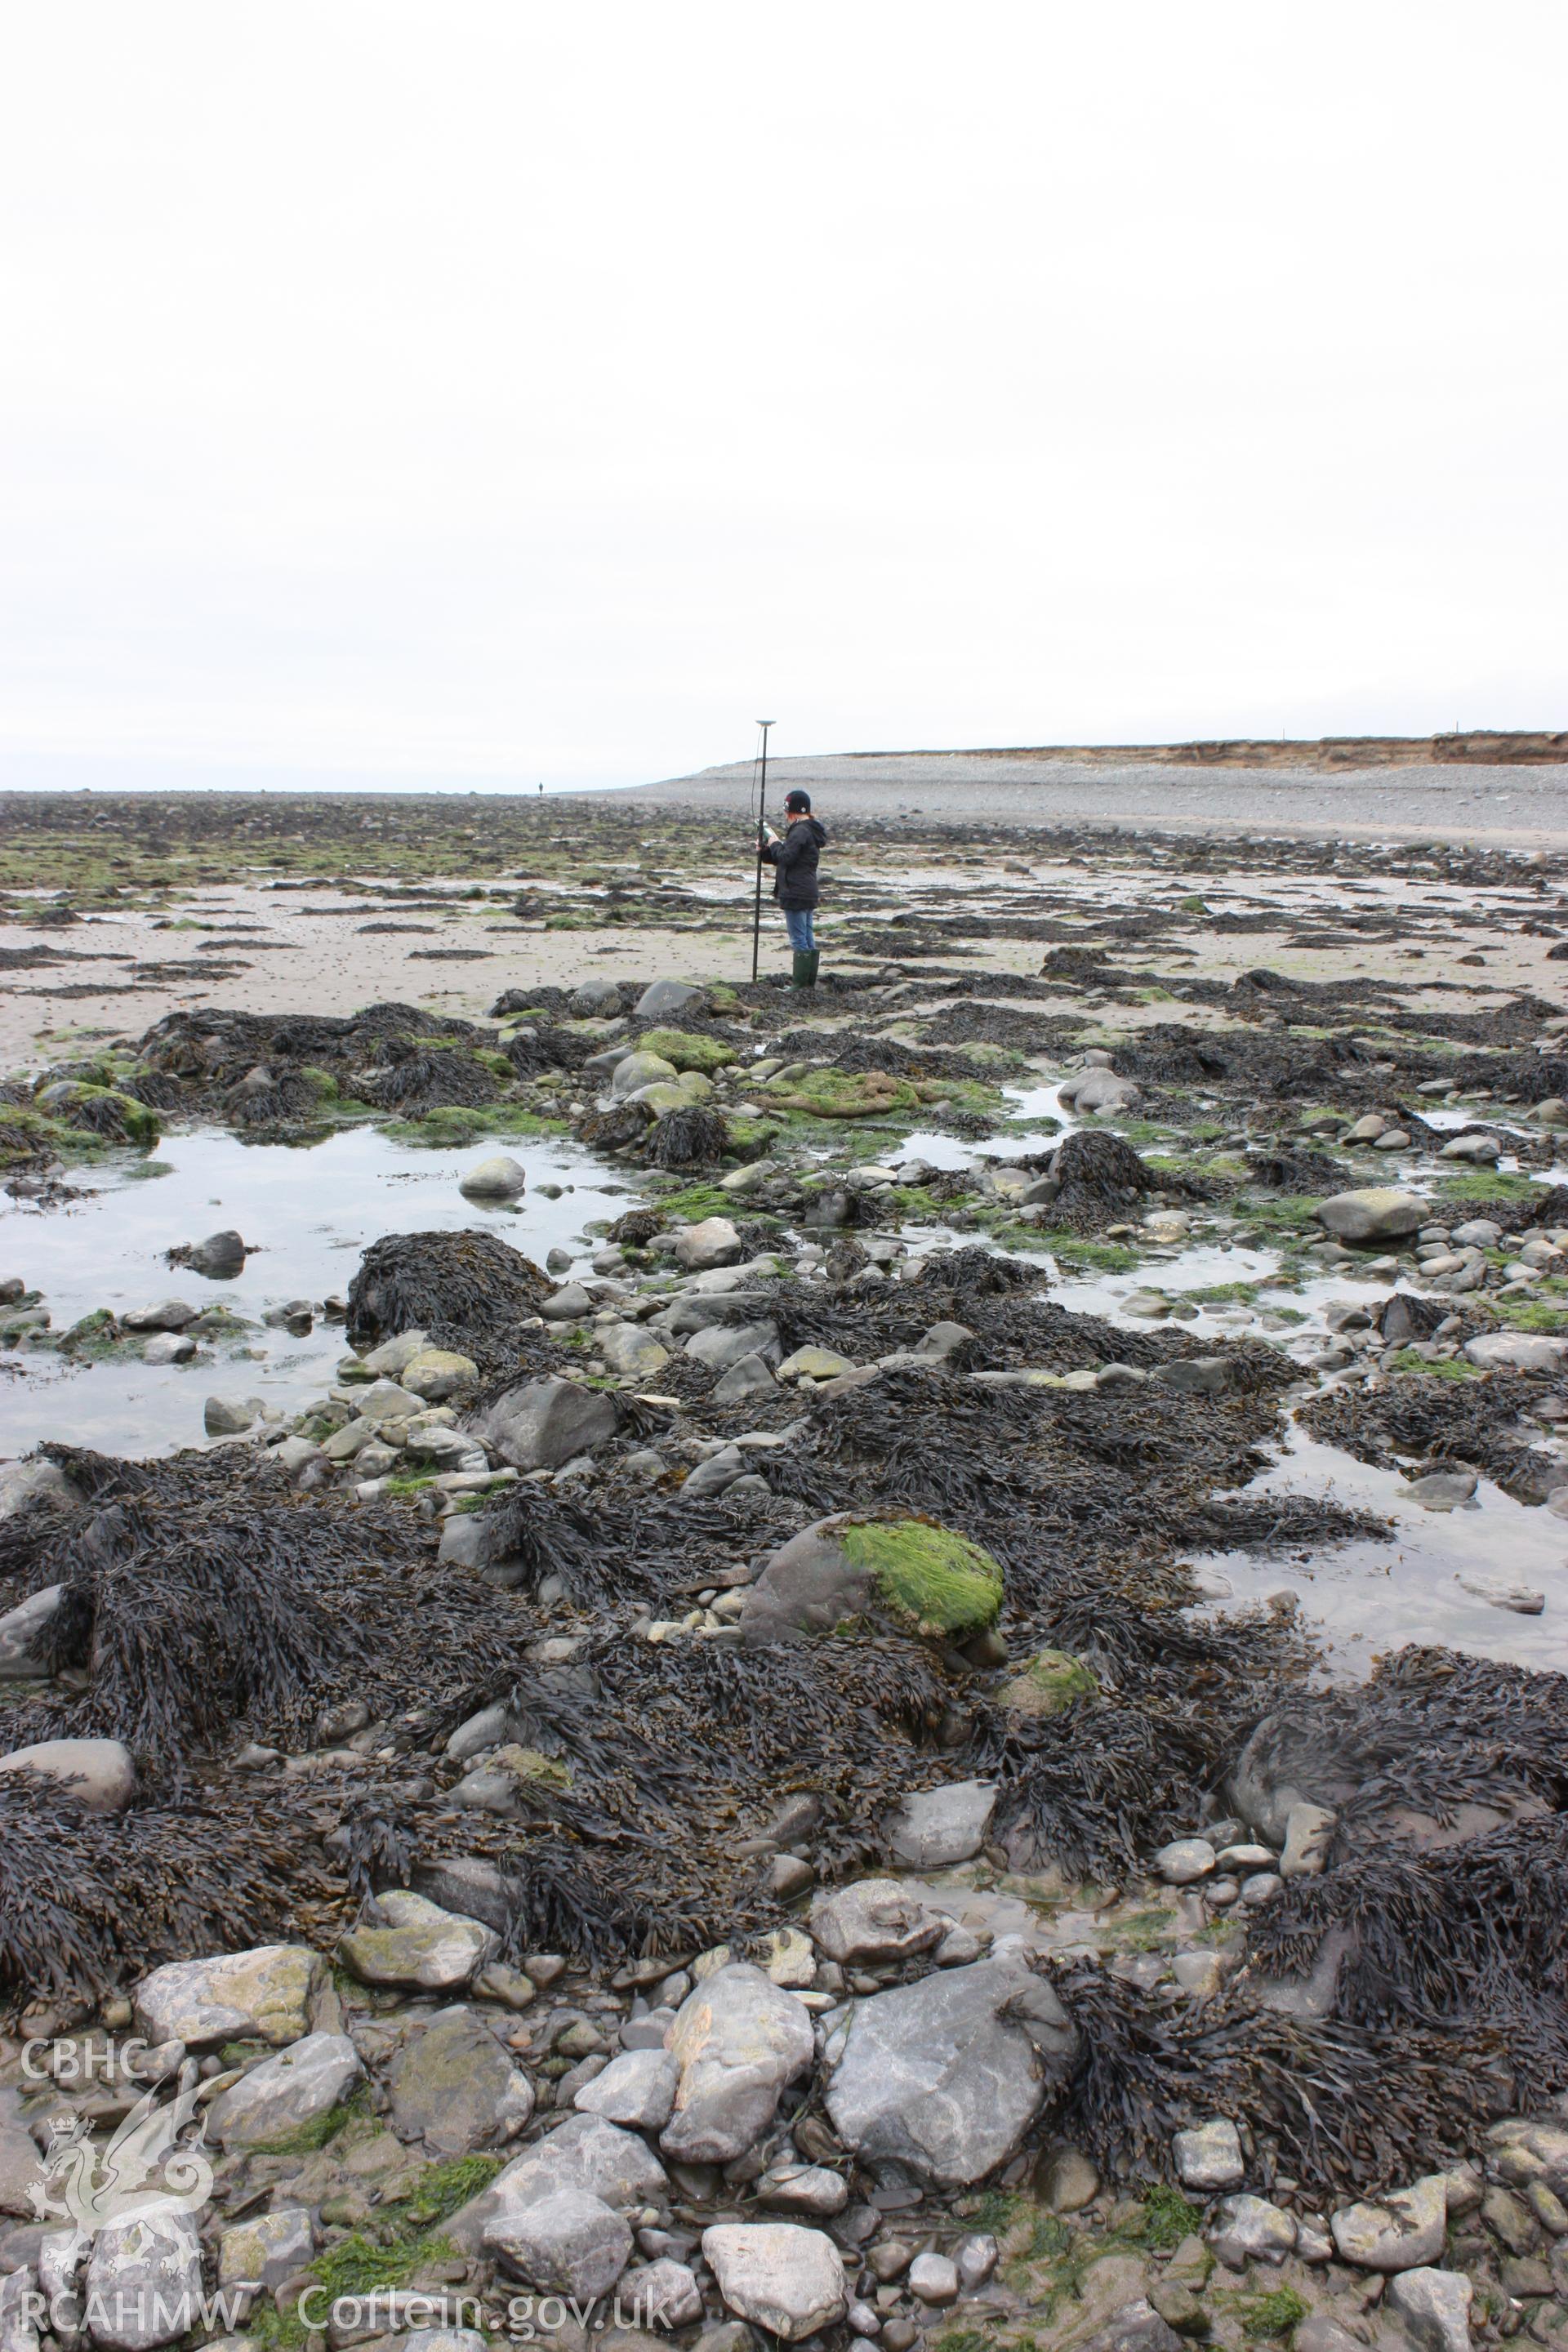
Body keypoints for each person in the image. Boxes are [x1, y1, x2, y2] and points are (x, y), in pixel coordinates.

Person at [759, 788, 827, 988]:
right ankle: (808, 984)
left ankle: (800, 985)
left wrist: (774, 842)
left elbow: (786, 856)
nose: (786, 815)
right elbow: (788, 859)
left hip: (796, 891)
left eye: (787, 811)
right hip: (805, 890)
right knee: (806, 936)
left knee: (799, 939)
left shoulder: (801, 830)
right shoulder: (809, 830)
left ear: (794, 811)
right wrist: (766, 850)